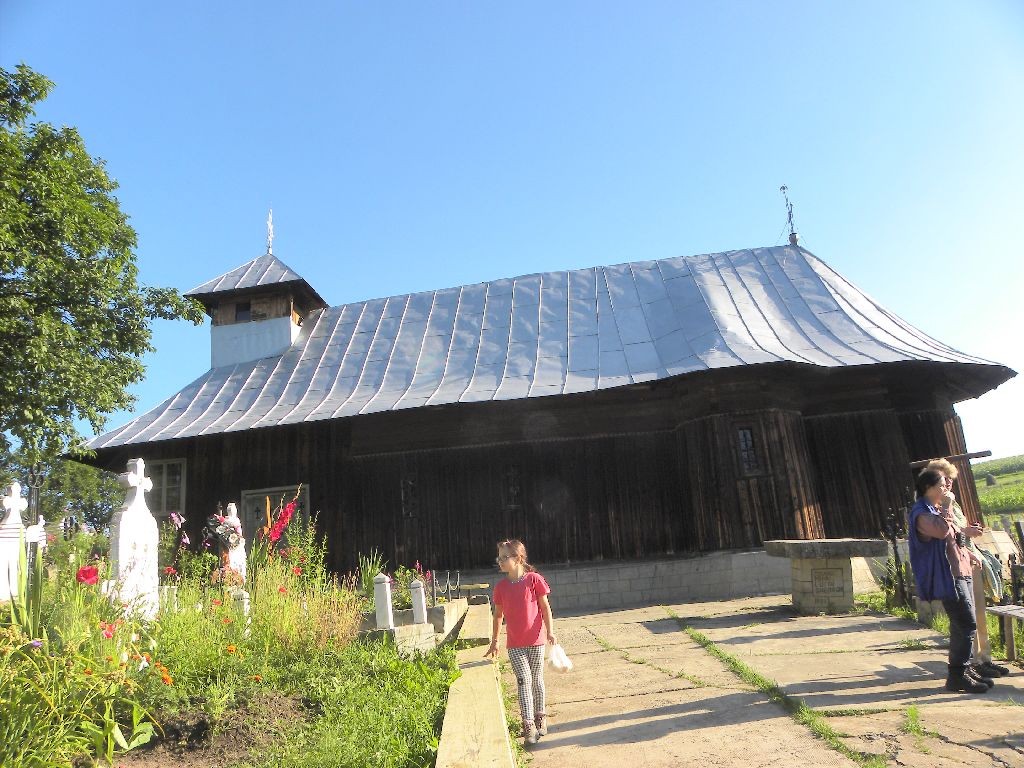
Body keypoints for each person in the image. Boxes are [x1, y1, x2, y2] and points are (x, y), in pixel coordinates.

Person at [925, 459, 1010, 680]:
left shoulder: (953, 503)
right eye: (944, 479)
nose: (949, 484)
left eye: (950, 479)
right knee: (967, 618)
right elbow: (945, 534)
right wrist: (965, 534)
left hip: (969, 559)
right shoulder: (933, 505)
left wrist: (968, 533)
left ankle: (984, 659)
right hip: (956, 565)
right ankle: (972, 663)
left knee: (979, 615)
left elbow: (957, 532)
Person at [907, 468, 989, 693]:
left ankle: (963, 670)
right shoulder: (922, 513)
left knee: (962, 624)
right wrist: (947, 505)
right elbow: (942, 531)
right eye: (941, 485)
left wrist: (968, 553)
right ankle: (957, 675)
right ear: (928, 488)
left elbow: (953, 536)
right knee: (966, 622)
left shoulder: (934, 509)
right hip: (947, 576)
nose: (946, 489)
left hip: (959, 569)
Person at [485, 538, 557, 746]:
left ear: (518, 558)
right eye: (498, 557)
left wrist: (550, 631)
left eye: (504, 557)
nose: (500, 561)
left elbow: (545, 608)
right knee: (523, 681)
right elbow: (498, 616)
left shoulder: (534, 580)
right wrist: (495, 641)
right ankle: (528, 724)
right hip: (515, 645)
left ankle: (540, 716)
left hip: (536, 641)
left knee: (536, 679)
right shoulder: (500, 588)